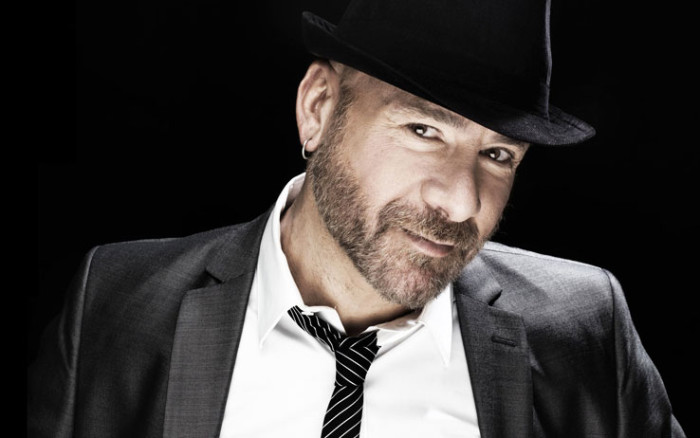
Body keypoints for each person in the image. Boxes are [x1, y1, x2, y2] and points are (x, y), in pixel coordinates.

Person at [29, 0, 686, 436]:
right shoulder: (117, 302)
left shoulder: (583, 328)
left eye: (497, 154)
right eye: (423, 130)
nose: (462, 202)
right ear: (318, 107)